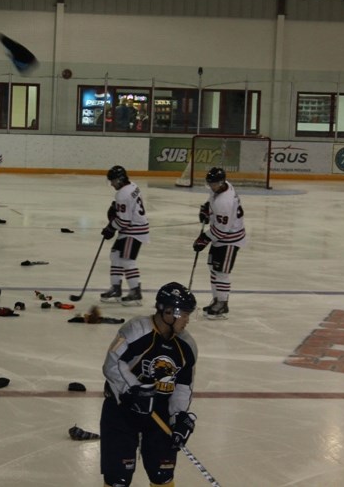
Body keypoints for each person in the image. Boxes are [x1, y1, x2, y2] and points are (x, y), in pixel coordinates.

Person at [100, 281, 198, 487]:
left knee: (162, 476)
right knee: (118, 479)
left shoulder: (187, 345)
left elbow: (183, 386)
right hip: (121, 411)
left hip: (159, 415)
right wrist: (134, 390)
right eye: (185, 314)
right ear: (168, 311)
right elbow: (113, 363)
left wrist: (178, 417)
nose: (188, 320)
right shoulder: (136, 329)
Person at [193, 166, 246, 319]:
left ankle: (222, 304)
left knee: (222, 272)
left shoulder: (225, 202)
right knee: (213, 267)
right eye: (210, 183)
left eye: (214, 184)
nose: (211, 186)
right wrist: (206, 209)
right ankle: (217, 299)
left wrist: (204, 239)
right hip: (222, 235)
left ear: (221, 182)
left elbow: (222, 230)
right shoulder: (223, 186)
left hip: (229, 238)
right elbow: (211, 200)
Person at [100, 165, 150, 305]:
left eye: (113, 181)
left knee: (127, 261)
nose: (111, 184)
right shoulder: (132, 186)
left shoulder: (122, 194)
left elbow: (124, 221)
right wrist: (117, 207)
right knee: (115, 255)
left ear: (120, 180)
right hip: (132, 228)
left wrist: (110, 228)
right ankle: (116, 288)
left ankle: (135, 292)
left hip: (133, 230)